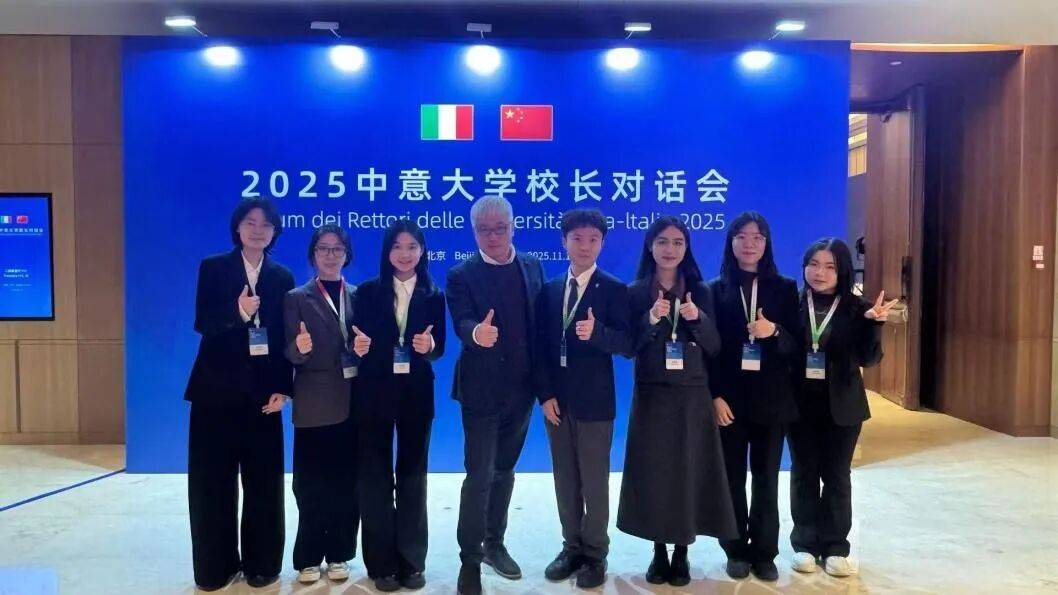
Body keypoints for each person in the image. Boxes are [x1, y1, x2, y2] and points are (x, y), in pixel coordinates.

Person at [617, 216, 738, 587]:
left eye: (678, 243)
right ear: (650, 246)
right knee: (656, 474)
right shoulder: (635, 292)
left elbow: (715, 345)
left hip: (691, 395)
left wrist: (697, 318)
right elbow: (627, 347)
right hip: (652, 394)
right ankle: (658, 551)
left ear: (686, 248)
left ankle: (682, 551)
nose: (670, 250)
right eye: (662, 242)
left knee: (687, 471)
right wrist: (650, 319)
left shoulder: (700, 290)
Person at [184, 198, 293, 591]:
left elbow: (282, 338)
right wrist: (238, 310)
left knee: (265, 484)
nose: (258, 230)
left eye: (266, 224)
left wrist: (284, 388)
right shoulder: (214, 267)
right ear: (237, 227)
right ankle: (214, 567)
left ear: (274, 231)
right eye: (250, 222)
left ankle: (262, 564)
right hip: (214, 394)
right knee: (211, 484)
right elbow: (203, 322)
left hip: (263, 397)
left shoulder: (281, 276)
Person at [446, 196, 545, 595]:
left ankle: (494, 544)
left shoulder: (533, 268)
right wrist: (476, 333)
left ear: (513, 227)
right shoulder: (461, 274)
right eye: (484, 230)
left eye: (500, 228)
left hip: (521, 392)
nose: (492, 236)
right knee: (479, 475)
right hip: (481, 392)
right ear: (474, 232)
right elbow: (462, 321)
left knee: (504, 471)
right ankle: (469, 560)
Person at [536, 209, 632, 589]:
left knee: (594, 482)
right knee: (565, 479)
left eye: (593, 239)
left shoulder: (614, 289)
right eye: (577, 238)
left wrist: (597, 333)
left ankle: (595, 553)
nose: (584, 246)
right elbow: (541, 348)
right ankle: (571, 547)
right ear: (564, 241)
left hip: (595, 403)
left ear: (602, 243)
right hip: (557, 403)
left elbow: (628, 345)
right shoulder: (549, 290)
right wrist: (545, 395)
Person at [788, 238, 894, 578]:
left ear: (842, 271)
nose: (819, 272)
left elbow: (869, 359)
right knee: (804, 473)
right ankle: (804, 544)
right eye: (814, 264)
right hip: (799, 405)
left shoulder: (857, 308)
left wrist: (874, 325)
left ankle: (835, 546)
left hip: (843, 407)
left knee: (836, 475)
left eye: (829, 266)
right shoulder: (791, 303)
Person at [352, 219, 447, 592]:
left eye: (412, 247)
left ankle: (411, 562)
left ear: (422, 252)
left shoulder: (433, 295)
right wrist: (356, 349)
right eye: (397, 246)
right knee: (374, 478)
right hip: (373, 394)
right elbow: (354, 343)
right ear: (386, 252)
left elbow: (439, 348)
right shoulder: (367, 292)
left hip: (416, 396)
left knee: (412, 477)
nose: (405, 254)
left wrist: (430, 347)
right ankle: (382, 565)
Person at [707, 211, 800, 582]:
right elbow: (708, 350)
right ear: (731, 242)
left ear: (766, 243)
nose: (749, 244)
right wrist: (714, 396)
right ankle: (735, 549)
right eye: (742, 236)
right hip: (729, 402)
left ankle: (764, 552)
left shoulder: (785, 287)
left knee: (766, 479)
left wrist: (773, 330)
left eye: (757, 237)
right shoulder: (715, 290)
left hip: (771, 400)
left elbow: (795, 346)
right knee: (731, 478)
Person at [282, 224, 361, 585]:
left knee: (346, 483)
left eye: (337, 249)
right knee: (310, 484)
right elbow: (287, 351)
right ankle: (309, 556)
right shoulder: (296, 297)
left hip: (353, 402)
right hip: (313, 403)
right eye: (323, 248)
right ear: (313, 254)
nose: (331, 255)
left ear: (347, 255)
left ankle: (340, 552)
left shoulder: (359, 296)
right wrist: (297, 350)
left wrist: (366, 349)